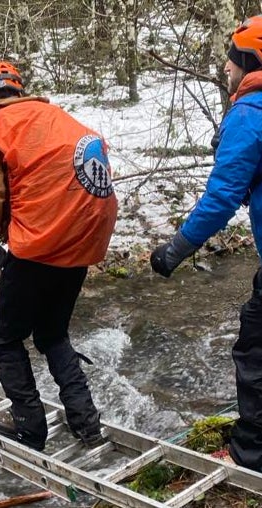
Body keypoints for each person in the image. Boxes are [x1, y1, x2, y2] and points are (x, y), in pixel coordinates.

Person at [0, 61, 118, 451]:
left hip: (37, 246)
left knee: (5, 337)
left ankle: (28, 425)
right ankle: (87, 424)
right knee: (52, 333)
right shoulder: (57, 117)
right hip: (81, 241)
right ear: (20, 90)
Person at [150, 16, 262, 471]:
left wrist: (174, 250)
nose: (226, 69)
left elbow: (221, 199)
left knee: (254, 352)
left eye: (231, 61)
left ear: (250, 62)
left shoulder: (250, 114)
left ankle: (249, 456)